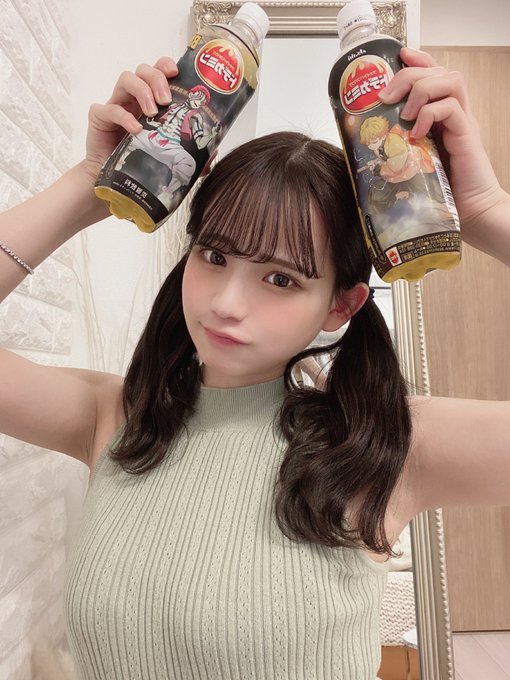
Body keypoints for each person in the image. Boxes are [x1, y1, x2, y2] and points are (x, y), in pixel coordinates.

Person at [1, 48, 509, 680]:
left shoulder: (387, 442)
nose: (226, 304)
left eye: (281, 278)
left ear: (340, 306)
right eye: (214, 256)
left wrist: (485, 209)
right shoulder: (115, 418)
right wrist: (89, 184)